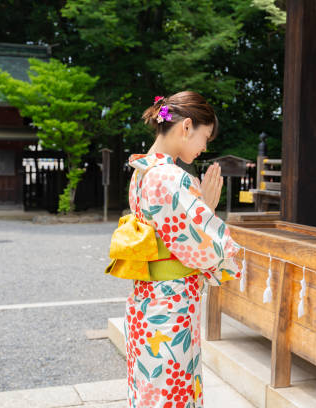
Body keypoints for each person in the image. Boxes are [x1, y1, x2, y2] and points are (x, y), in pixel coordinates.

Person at [106, 91, 241, 407]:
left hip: (147, 300)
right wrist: (207, 209)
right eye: (204, 137)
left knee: (152, 390)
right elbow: (204, 246)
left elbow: (174, 232)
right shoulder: (171, 177)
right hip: (171, 305)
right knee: (172, 394)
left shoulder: (142, 173)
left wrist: (201, 209)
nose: (205, 147)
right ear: (186, 127)